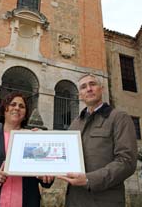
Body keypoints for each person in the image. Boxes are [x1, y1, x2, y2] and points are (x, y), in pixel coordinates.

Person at [58, 73, 137, 207]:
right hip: (74, 200)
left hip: (105, 201)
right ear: (80, 95)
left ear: (102, 89)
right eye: (83, 87)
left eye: (92, 84)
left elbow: (127, 161)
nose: (88, 89)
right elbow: (63, 156)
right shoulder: (75, 124)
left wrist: (89, 179)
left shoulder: (119, 118)